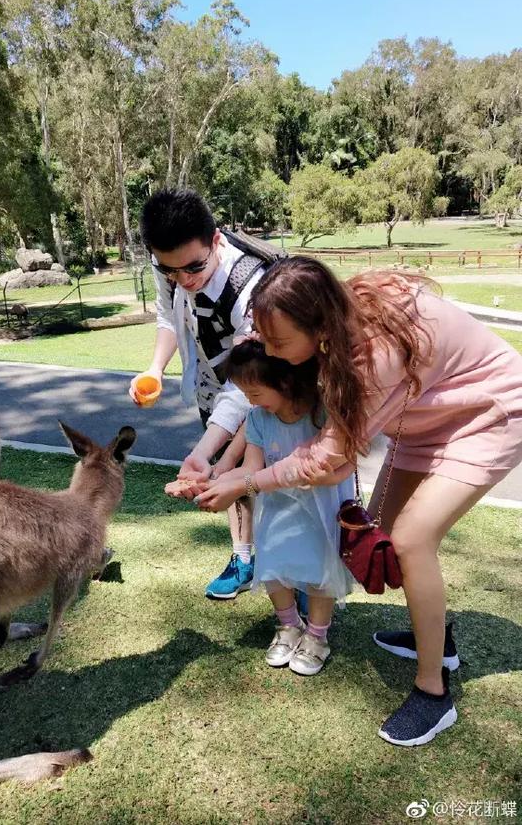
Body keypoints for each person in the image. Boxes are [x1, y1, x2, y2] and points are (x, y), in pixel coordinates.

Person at [195, 258, 522, 746]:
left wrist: (248, 484)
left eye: (280, 344)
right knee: (379, 540)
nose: (271, 352)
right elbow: (258, 379)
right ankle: (434, 639)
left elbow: (331, 461)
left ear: (320, 324)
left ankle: (433, 692)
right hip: (423, 418)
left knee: (411, 543)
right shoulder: (327, 311)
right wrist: (210, 455)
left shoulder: (374, 359)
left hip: (487, 414)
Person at [130, 188, 268, 599]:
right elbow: (167, 311)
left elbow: (245, 388)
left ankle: (290, 571)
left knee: (264, 477)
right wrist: (156, 367)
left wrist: (205, 451)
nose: (183, 279)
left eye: (193, 267)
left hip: (263, 386)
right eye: (170, 270)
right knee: (230, 476)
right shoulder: (171, 265)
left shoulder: (250, 286)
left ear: (216, 240)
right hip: (212, 379)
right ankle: (243, 558)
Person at [219, 339, 354, 674]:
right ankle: (288, 627)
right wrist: (213, 483)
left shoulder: (320, 413)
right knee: (275, 567)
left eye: (255, 393)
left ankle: (317, 637)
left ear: (284, 381)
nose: (251, 402)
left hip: (322, 508)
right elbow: (251, 469)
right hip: (277, 508)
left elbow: (341, 458)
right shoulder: (257, 419)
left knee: (321, 571)